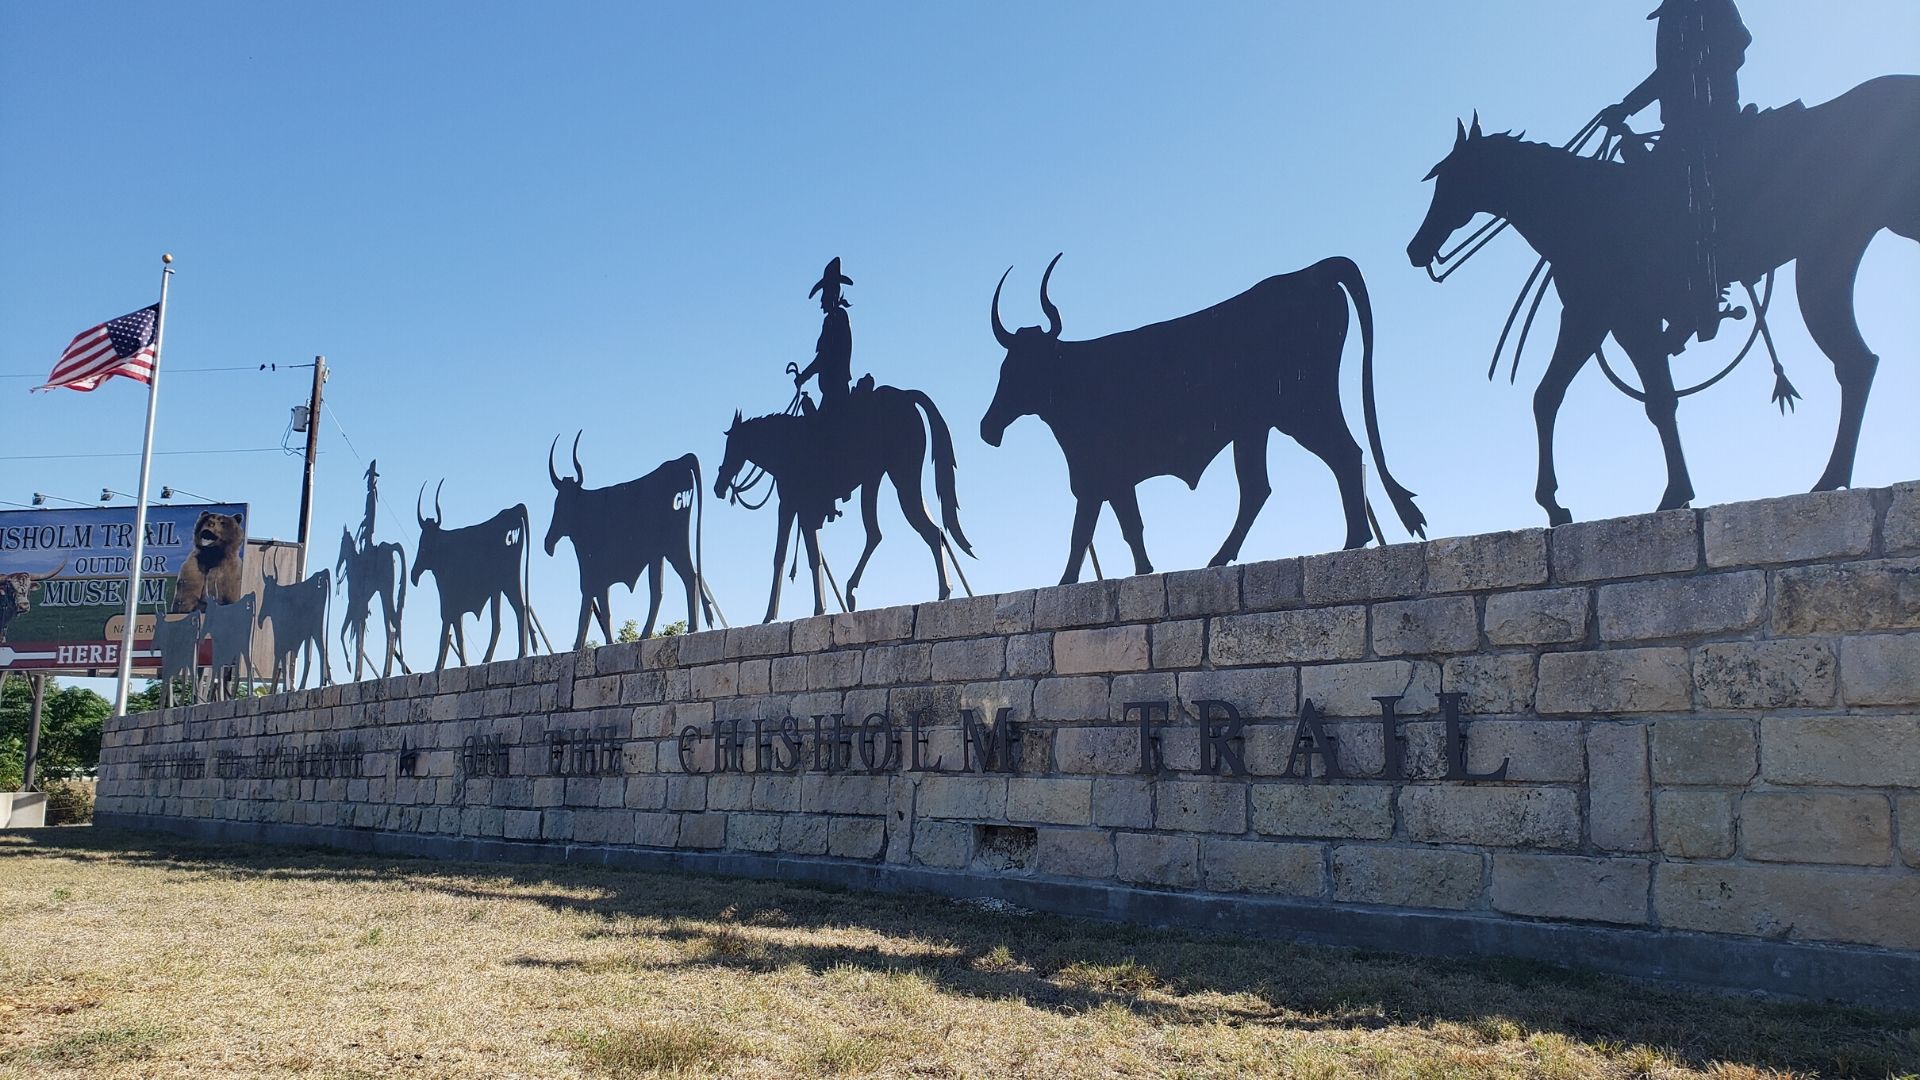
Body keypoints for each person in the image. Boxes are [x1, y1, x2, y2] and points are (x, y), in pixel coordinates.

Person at [1599, 0, 1751, 351]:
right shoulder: (1673, 11)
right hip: (1682, 125)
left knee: (1669, 198)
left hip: (1708, 121)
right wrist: (1627, 106)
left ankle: (1696, 298)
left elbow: (1737, 44)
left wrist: (1705, 66)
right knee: (1646, 191)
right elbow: (1668, 73)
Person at [794, 257, 853, 413]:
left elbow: (824, 358)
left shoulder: (835, 319)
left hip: (835, 393)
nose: (821, 300)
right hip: (832, 391)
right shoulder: (835, 318)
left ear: (832, 293)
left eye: (824, 293)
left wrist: (803, 377)